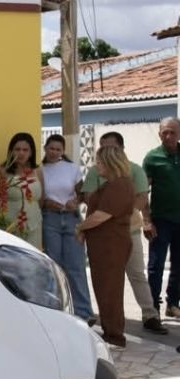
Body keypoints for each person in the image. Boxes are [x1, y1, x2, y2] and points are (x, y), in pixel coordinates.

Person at [81, 132, 168, 334]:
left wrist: (121, 213)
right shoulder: (96, 172)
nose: (105, 151)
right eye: (102, 147)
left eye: (110, 148)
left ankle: (150, 315)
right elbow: (90, 197)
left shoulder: (133, 171)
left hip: (127, 231)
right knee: (108, 281)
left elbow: (141, 198)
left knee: (135, 274)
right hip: (103, 234)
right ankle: (111, 324)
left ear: (120, 149)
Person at [76, 145, 135, 348]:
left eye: (100, 162)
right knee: (104, 288)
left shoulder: (120, 185)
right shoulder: (110, 184)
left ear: (110, 162)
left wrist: (80, 227)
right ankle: (110, 331)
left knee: (110, 289)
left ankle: (114, 335)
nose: (97, 165)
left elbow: (102, 215)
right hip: (102, 245)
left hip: (111, 244)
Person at [40, 134, 95, 323]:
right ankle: (55, 309)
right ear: (45, 148)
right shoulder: (40, 170)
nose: (54, 152)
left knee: (76, 266)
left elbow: (82, 193)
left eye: (58, 149)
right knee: (53, 265)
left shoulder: (72, 168)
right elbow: (39, 197)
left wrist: (76, 201)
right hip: (50, 218)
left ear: (63, 151)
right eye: (51, 148)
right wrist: (47, 203)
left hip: (71, 218)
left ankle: (84, 311)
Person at [144, 117, 180, 319]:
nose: (169, 136)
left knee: (179, 265)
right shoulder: (152, 158)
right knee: (156, 265)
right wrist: (146, 220)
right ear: (159, 134)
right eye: (165, 132)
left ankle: (173, 303)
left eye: (173, 132)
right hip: (161, 220)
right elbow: (143, 192)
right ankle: (153, 309)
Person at [3, 132, 43, 248]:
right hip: (9, 226)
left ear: (31, 152)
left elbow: (42, 199)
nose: (21, 153)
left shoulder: (38, 171)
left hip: (34, 224)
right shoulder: (3, 171)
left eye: (25, 150)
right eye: (17, 149)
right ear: (11, 151)